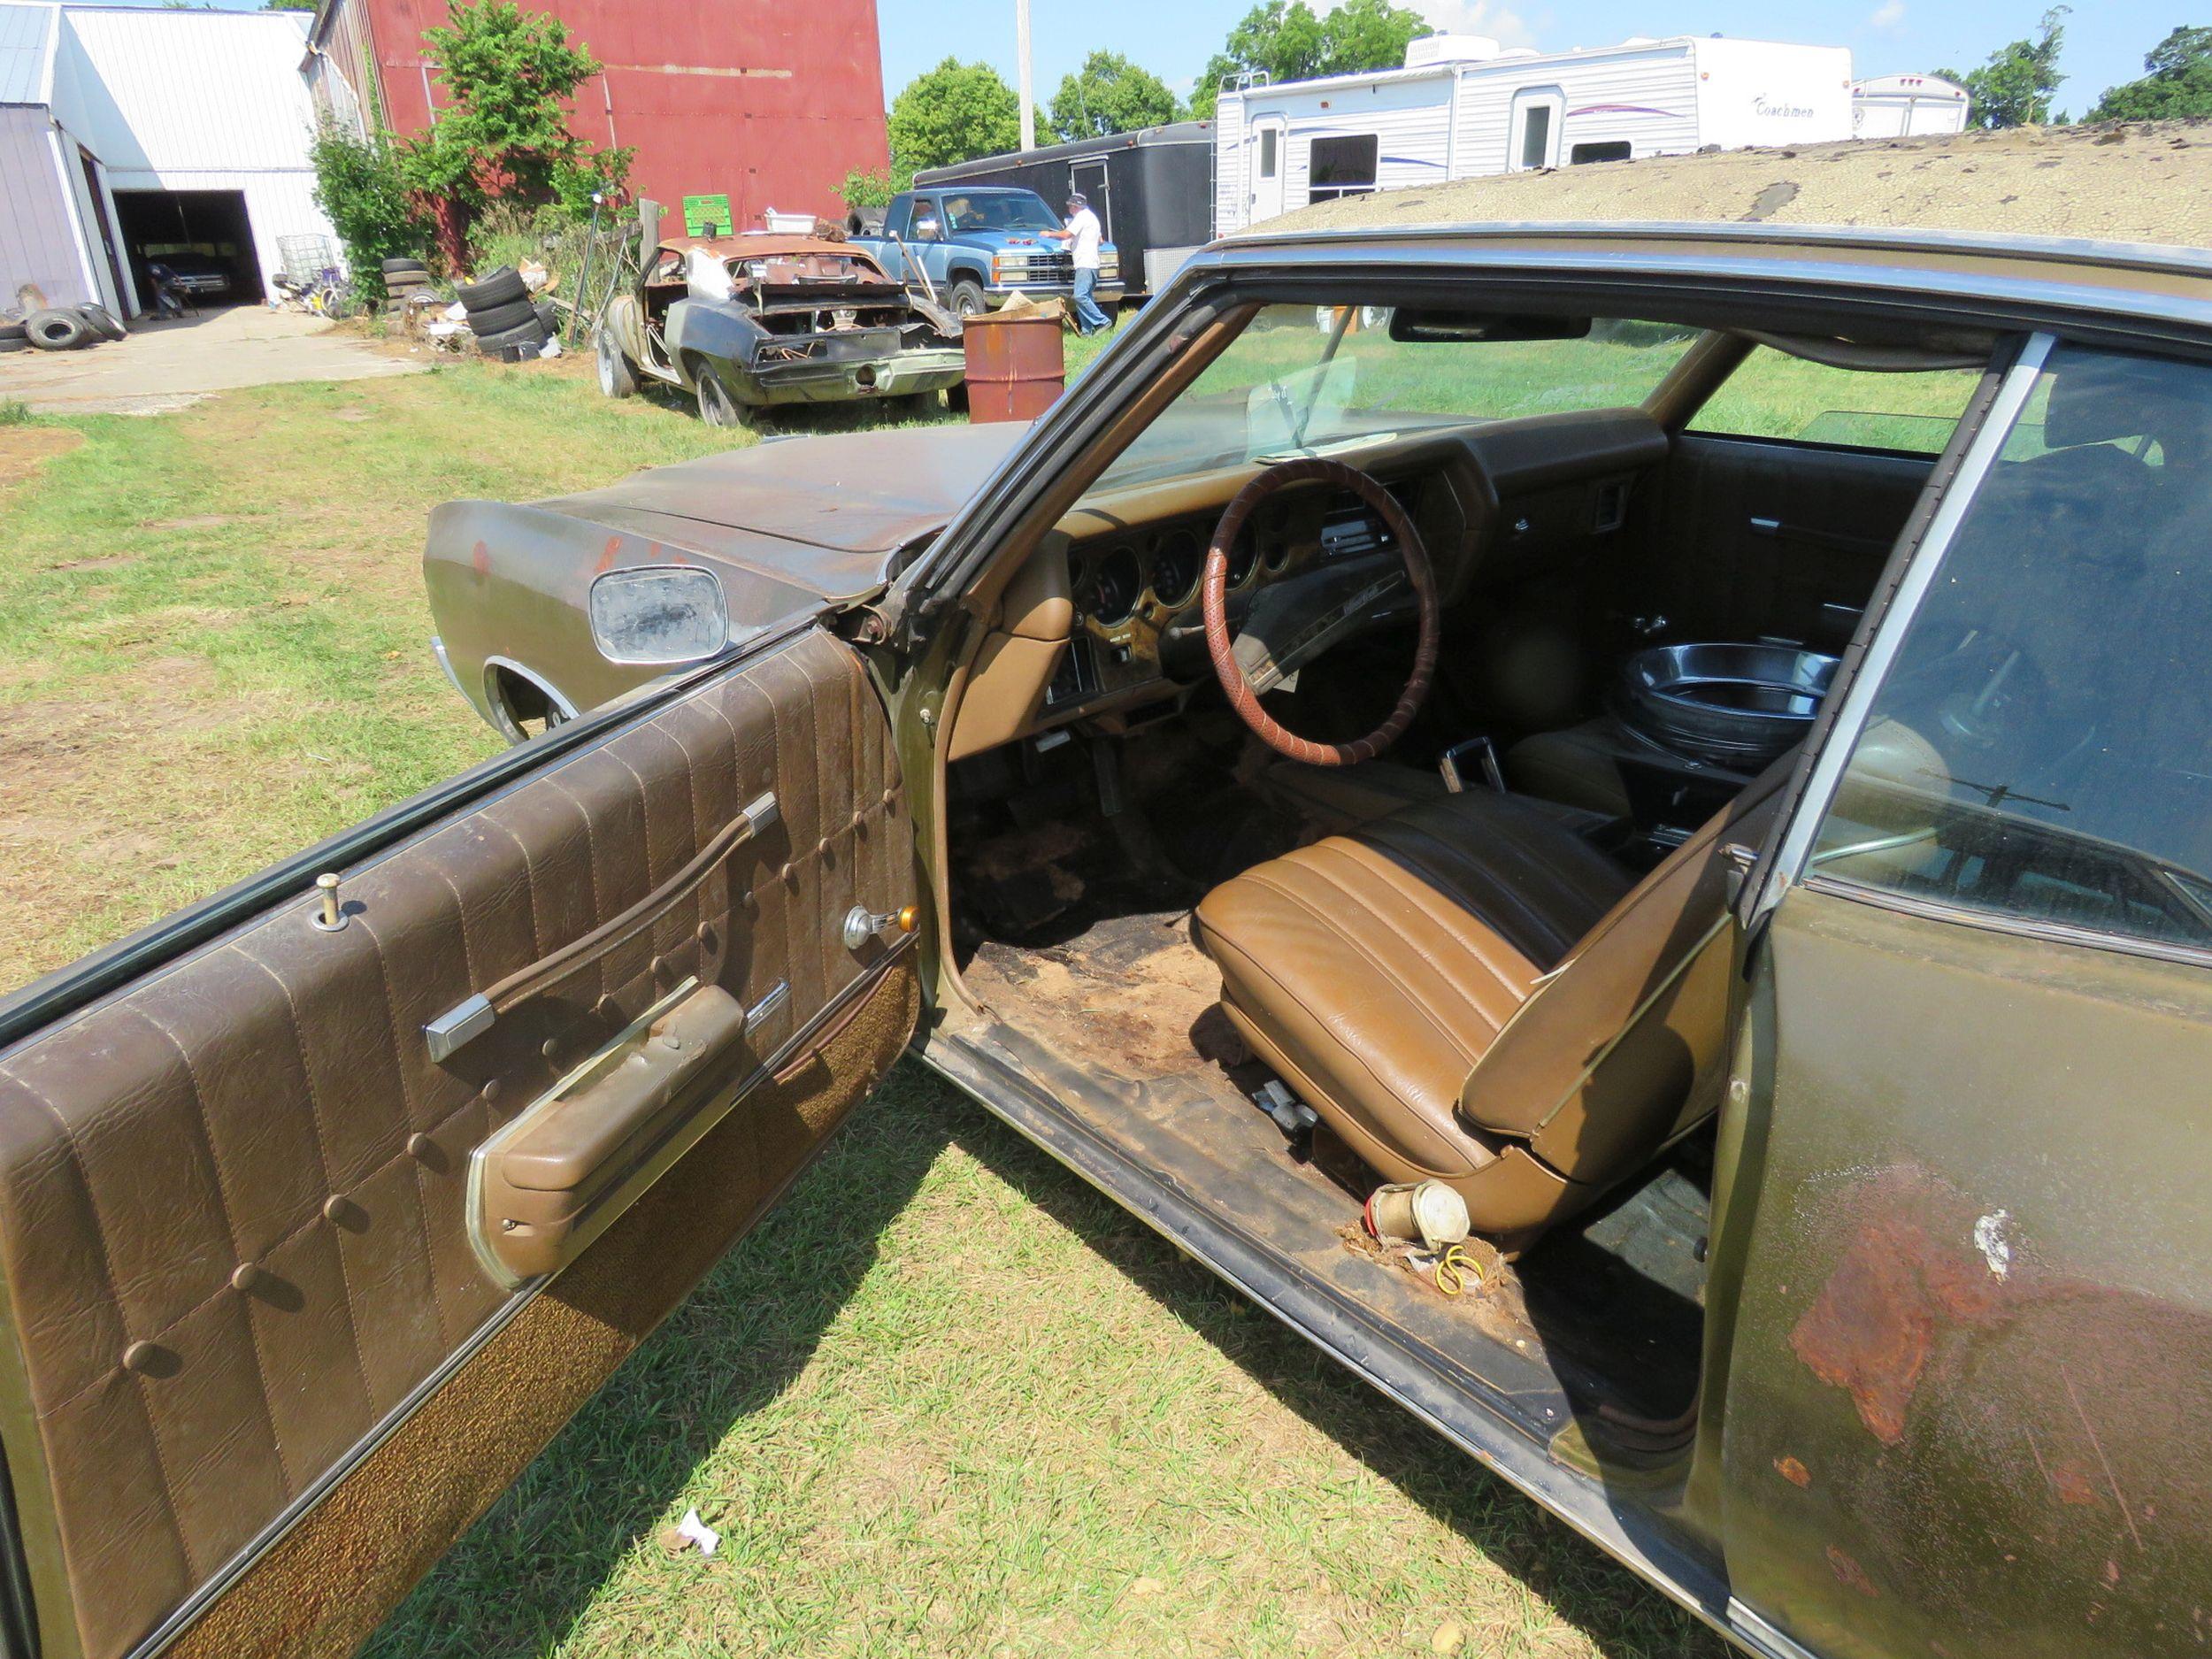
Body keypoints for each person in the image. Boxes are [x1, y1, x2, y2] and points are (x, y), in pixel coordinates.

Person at [1044, 192, 1110, 336]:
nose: (1069, 210)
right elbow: (1101, 240)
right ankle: (1087, 332)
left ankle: (1103, 321)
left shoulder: (1081, 217)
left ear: (1075, 206)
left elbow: (1066, 235)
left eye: (1070, 206)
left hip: (1084, 263)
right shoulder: (1093, 218)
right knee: (1085, 297)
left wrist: (1049, 234)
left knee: (1080, 296)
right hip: (1093, 264)